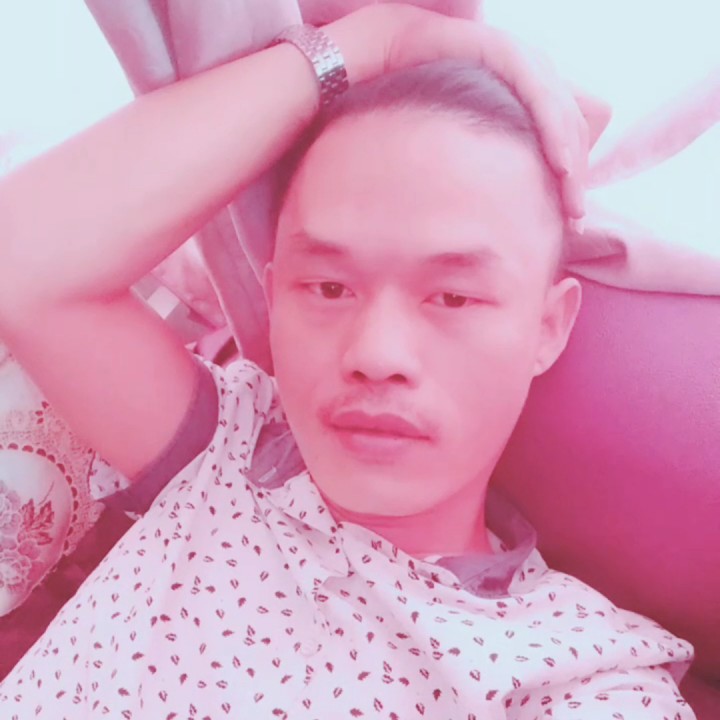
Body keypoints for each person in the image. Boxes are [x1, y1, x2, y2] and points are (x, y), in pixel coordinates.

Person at [0, 3, 695, 718]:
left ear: (548, 328)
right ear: (274, 296)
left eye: (453, 297)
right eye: (329, 288)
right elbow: (24, 260)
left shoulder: (577, 678)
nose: (376, 354)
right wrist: (373, 42)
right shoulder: (230, 450)